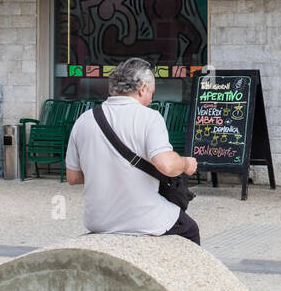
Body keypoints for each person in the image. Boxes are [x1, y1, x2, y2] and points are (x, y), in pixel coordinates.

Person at [65, 57, 200, 244]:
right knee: (190, 230)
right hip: (142, 218)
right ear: (143, 88)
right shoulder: (150, 117)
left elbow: (73, 178)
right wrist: (185, 163)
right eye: (151, 92)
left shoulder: (84, 120)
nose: (152, 98)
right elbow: (167, 166)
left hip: (97, 220)